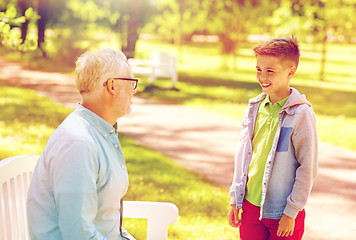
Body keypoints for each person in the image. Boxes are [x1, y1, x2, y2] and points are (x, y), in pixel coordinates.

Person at [27, 49, 138, 240]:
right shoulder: (78, 144)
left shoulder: (99, 134)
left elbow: (109, 225)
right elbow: (78, 234)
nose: (134, 90)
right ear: (112, 86)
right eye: (131, 83)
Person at [228, 37, 318, 240]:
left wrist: (291, 212)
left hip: (282, 211)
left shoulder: (301, 114)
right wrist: (236, 199)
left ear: (290, 71)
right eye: (259, 69)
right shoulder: (254, 108)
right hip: (251, 206)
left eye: (270, 71)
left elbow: (308, 167)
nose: (262, 77)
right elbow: (242, 157)